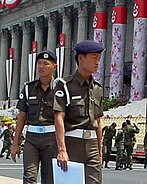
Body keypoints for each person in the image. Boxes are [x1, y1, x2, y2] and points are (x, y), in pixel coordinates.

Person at [53, 40, 105, 184]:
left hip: (92, 143)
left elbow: (98, 121)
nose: (97, 62)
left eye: (99, 59)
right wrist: (62, 149)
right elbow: (59, 117)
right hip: (72, 142)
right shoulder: (64, 85)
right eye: (94, 57)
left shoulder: (97, 88)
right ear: (81, 58)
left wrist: (100, 150)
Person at [10, 51, 57, 184]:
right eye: (39, 63)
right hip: (32, 138)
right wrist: (15, 143)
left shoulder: (60, 89)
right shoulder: (28, 88)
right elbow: (21, 117)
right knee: (29, 177)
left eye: (45, 64)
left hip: (51, 139)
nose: (41, 67)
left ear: (55, 66)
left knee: (49, 179)